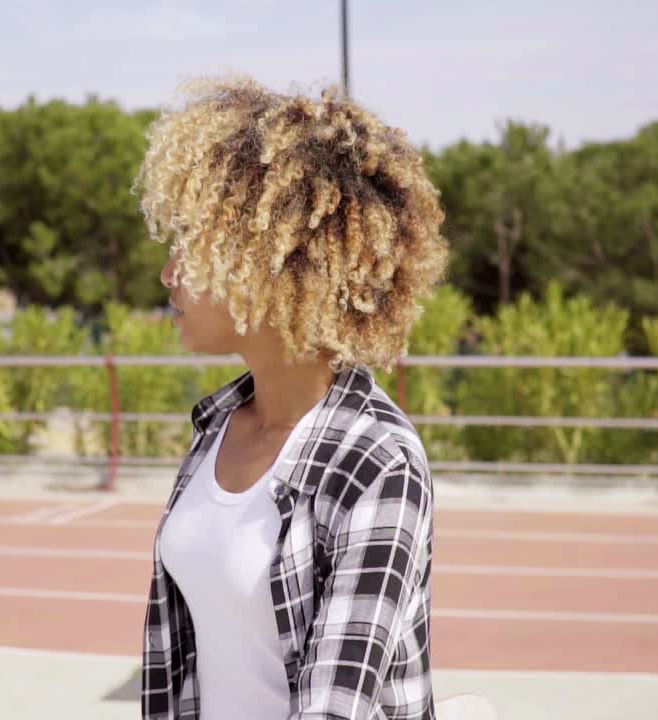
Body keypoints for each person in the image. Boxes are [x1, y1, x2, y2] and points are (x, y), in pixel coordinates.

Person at [135, 75, 449, 720]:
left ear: (270, 261)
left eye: (190, 247)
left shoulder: (376, 462)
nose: (168, 274)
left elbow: (335, 703)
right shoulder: (216, 428)